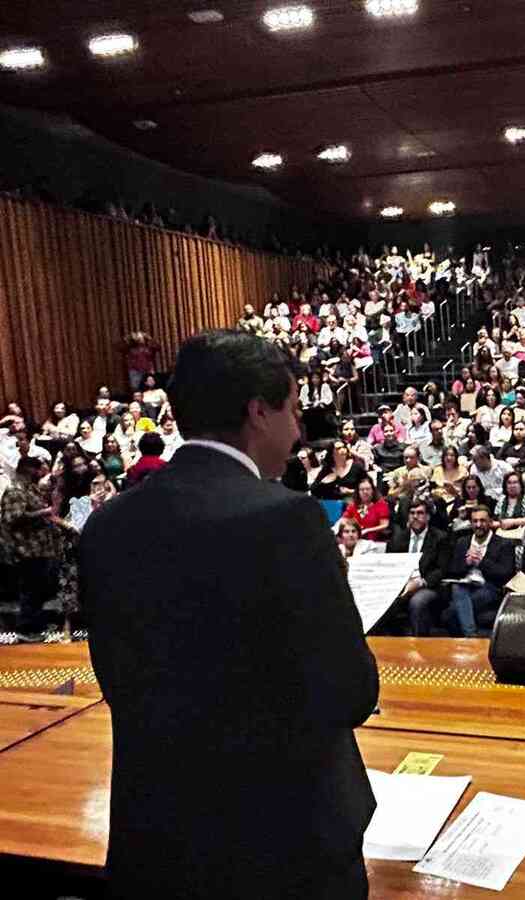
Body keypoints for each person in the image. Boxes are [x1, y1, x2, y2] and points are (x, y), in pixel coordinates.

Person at [80, 329, 379, 899]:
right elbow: (350, 692)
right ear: (259, 412)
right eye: (293, 411)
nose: (298, 431)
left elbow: (118, 679)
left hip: (156, 840)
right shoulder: (286, 520)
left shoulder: (108, 524)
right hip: (281, 849)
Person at [1, 455, 64, 641]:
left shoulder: (31, 488)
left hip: (40, 547)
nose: (41, 473)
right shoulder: (15, 490)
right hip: (26, 548)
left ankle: (35, 625)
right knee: (30, 590)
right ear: (28, 469)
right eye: (38, 469)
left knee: (38, 589)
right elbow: (14, 517)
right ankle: (26, 629)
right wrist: (44, 512)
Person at [445, 505, 517, 637]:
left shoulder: (503, 544)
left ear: (490, 522)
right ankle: (471, 635)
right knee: (457, 588)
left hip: (489, 587)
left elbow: (506, 573)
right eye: (475, 521)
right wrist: (466, 563)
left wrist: (481, 562)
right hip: (464, 585)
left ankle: (470, 636)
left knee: (451, 612)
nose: (478, 525)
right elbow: (452, 569)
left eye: (483, 521)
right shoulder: (462, 542)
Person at [384, 499, 449, 637]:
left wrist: (420, 583)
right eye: (412, 513)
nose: (415, 516)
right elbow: (390, 564)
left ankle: (419, 643)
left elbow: (442, 570)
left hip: (428, 585)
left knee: (417, 602)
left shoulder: (440, 538)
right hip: (401, 584)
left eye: (420, 513)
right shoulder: (398, 538)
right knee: (384, 600)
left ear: (428, 516)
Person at [342, 476, 390, 542]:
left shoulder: (381, 504)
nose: (365, 492)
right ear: (358, 491)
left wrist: (367, 530)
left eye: (368, 489)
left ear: (372, 490)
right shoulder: (353, 505)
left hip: (375, 541)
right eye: (362, 489)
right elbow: (343, 520)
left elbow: (385, 525)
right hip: (355, 539)